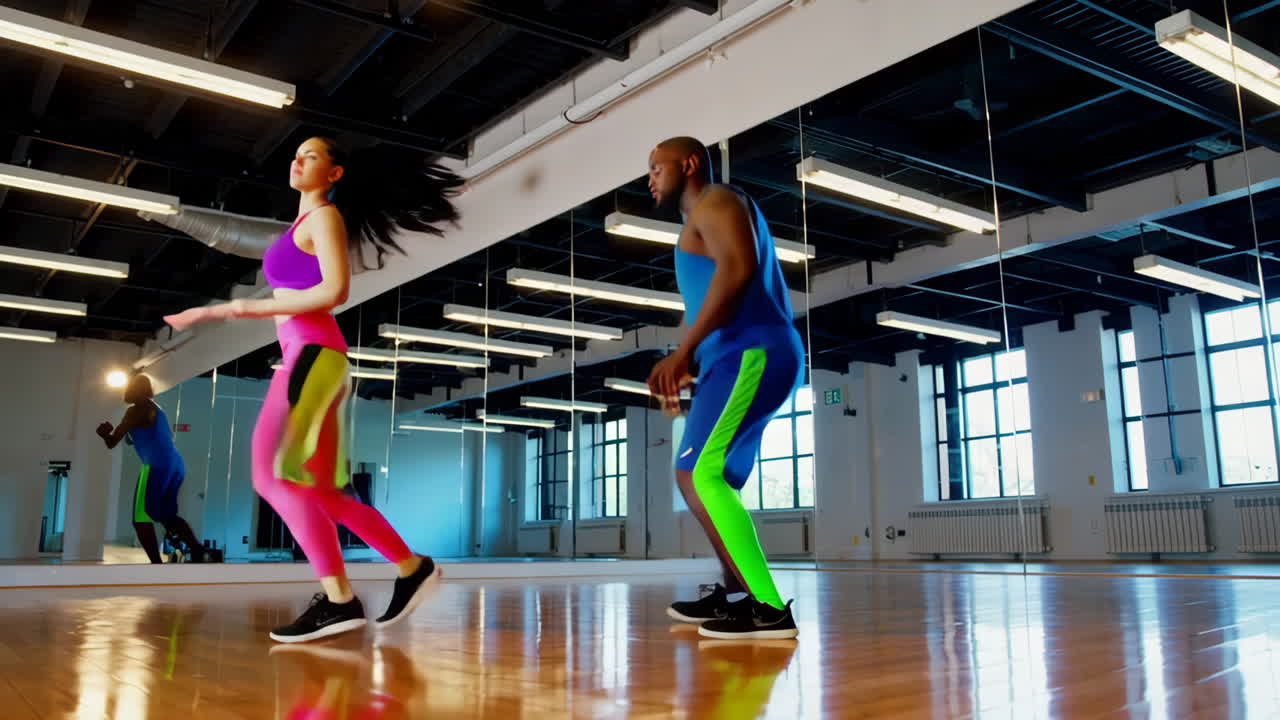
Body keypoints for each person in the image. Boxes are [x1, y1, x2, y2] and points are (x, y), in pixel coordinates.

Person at [153, 136, 462, 643]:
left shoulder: (323, 217)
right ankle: (411, 569)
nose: (297, 160)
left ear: (335, 173)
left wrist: (233, 308)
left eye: (311, 155)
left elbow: (334, 291)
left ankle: (340, 601)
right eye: (295, 154)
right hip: (315, 357)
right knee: (319, 488)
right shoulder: (302, 224)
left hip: (314, 355)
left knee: (273, 475)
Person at [646, 136, 802, 640]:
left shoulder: (716, 200)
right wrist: (692, 354)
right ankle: (738, 593)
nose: (650, 180)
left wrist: (685, 351)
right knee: (705, 480)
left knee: (699, 472)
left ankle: (770, 608)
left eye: (657, 168)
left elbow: (738, 270)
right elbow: (708, 292)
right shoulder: (702, 219)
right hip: (732, 357)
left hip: (749, 352)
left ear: (689, 165)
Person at [97, 374, 204, 564]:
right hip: (176, 465)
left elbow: (112, 442)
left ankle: (156, 564)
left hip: (156, 464)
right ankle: (197, 549)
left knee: (140, 518)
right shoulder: (157, 409)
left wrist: (105, 434)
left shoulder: (134, 411)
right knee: (166, 515)